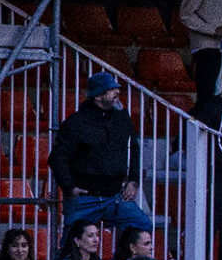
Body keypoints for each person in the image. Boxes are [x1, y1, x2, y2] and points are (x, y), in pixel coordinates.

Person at [50, 73, 149, 231]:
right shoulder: (76, 122)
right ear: (98, 96)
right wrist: (69, 187)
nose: (117, 92)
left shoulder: (121, 119)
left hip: (114, 196)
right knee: (72, 244)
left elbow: (134, 149)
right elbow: (57, 158)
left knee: (142, 224)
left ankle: (126, 256)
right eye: (111, 90)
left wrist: (133, 180)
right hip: (85, 197)